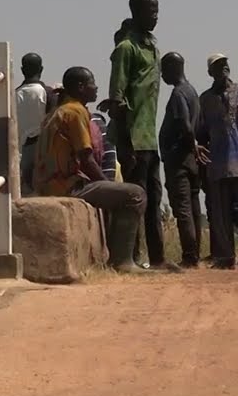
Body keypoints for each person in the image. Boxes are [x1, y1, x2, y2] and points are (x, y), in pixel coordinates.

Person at [34, 67, 156, 274]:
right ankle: (123, 262)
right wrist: (106, 183)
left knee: (119, 194)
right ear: (81, 87)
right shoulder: (75, 112)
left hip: (48, 183)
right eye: (92, 83)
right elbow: (86, 158)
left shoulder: (55, 113)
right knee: (135, 194)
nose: (96, 87)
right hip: (66, 185)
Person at [107, 0, 166, 269]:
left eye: (157, 11)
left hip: (150, 138)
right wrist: (125, 144)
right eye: (150, 11)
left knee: (154, 199)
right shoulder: (125, 49)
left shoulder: (152, 46)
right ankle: (132, 258)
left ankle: (158, 259)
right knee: (135, 201)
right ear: (136, 12)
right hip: (133, 138)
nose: (155, 16)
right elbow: (117, 100)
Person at [197, 53, 238, 269]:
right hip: (218, 162)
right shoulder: (205, 99)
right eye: (217, 65)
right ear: (210, 72)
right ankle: (226, 257)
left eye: (225, 64)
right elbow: (201, 131)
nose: (223, 68)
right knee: (220, 214)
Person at [159, 52, 205, 268]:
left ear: (172, 68)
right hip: (190, 159)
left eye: (163, 69)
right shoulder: (192, 91)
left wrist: (190, 145)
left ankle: (189, 256)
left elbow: (186, 126)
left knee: (184, 208)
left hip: (179, 159)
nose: (161, 74)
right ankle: (194, 253)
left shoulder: (179, 94)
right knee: (194, 207)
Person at [15, 53, 56, 196]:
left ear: (22, 70)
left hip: (19, 152)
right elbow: (54, 122)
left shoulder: (13, 95)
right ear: (41, 69)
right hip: (43, 151)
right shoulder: (47, 93)